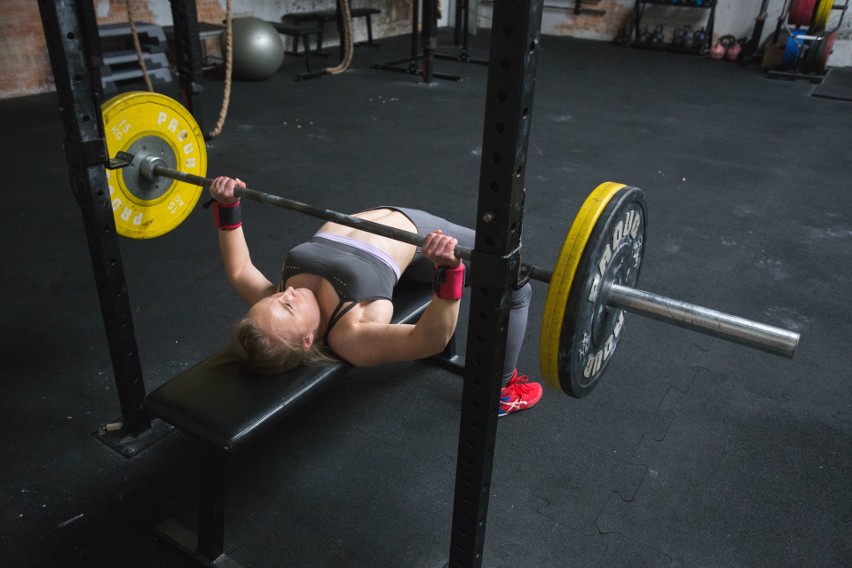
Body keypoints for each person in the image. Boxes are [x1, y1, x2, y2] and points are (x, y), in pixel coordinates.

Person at [209, 176, 542, 417]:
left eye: (273, 297)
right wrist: (448, 271)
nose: (288, 291)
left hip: (389, 222)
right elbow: (429, 339)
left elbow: (239, 270)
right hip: (422, 237)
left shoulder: (275, 306)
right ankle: (501, 389)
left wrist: (228, 205)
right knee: (516, 284)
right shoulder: (350, 334)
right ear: (308, 340)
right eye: (287, 305)